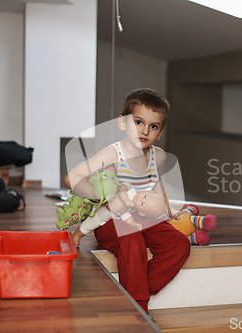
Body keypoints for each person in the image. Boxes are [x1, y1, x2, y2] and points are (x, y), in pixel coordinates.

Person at [63, 88, 191, 314]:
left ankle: (137, 288)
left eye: (153, 126)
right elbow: (70, 178)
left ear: (160, 132)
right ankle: (139, 309)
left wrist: (169, 211)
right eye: (139, 122)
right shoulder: (112, 154)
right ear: (122, 123)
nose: (145, 130)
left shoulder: (158, 156)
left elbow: (156, 184)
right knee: (131, 239)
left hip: (145, 217)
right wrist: (105, 200)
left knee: (179, 244)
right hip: (112, 220)